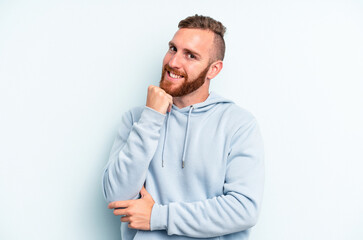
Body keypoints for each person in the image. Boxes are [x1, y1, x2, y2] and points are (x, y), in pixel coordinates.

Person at [102, 14, 264, 240]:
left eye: (190, 55)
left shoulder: (238, 124)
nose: (173, 62)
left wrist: (158, 217)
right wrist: (152, 117)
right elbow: (116, 196)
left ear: (213, 70)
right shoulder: (137, 119)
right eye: (172, 49)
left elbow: (243, 209)